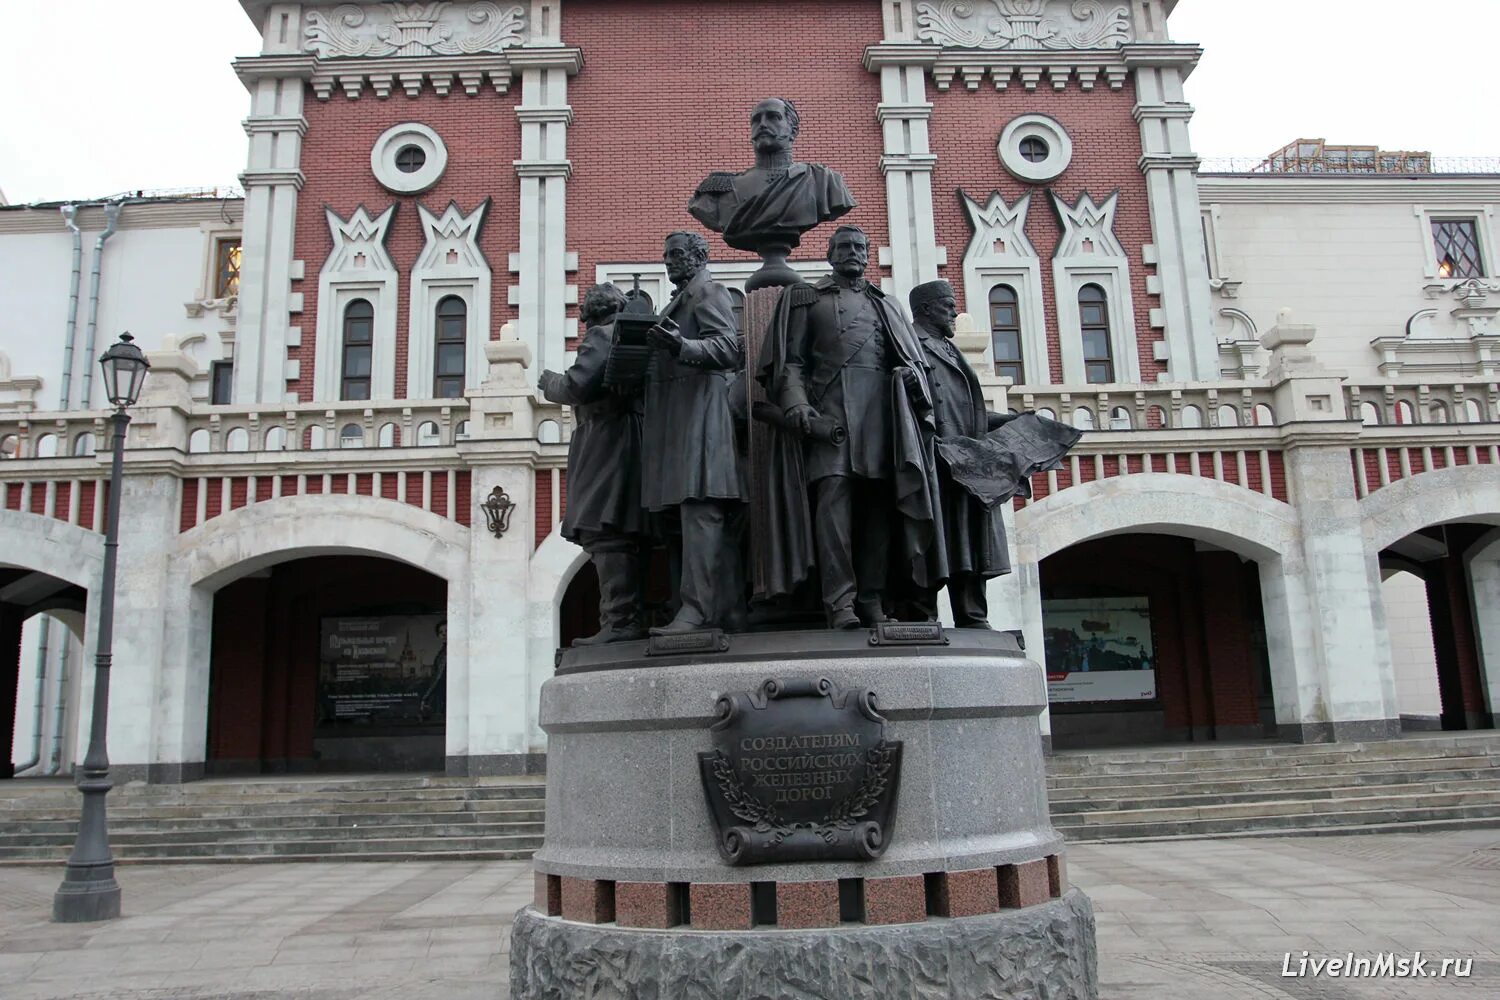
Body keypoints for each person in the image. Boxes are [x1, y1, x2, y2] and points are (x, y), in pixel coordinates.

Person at [757, 225, 943, 629]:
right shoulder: (807, 298)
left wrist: (912, 379)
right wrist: (799, 405)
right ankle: (839, 603)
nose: (852, 253)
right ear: (829, 253)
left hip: (881, 419)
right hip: (832, 416)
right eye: (843, 247)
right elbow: (791, 363)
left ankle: (873, 601)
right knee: (833, 514)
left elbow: (912, 362)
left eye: (859, 247)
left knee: (878, 513)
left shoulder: (885, 305)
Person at [640, 232, 748, 634]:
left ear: (700, 256)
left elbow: (728, 349)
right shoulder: (681, 298)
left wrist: (680, 345)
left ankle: (697, 611)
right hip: (678, 418)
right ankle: (719, 610)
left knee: (700, 511)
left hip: (703, 416)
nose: (669, 261)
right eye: (666, 255)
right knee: (686, 517)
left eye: (677, 254)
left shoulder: (709, 292)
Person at [538, 283, 648, 644]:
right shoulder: (628, 335)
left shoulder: (603, 335)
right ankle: (622, 617)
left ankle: (619, 621)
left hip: (604, 437)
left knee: (605, 526)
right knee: (615, 525)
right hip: (624, 435)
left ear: (590, 312)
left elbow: (577, 386)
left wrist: (548, 382)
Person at [904, 279, 1017, 628]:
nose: (954, 311)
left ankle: (971, 613)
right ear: (925, 309)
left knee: (969, 539)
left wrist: (1011, 421)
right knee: (931, 538)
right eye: (947, 304)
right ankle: (922, 613)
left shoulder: (950, 349)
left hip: (968, 461)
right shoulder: (911, 345)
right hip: (934, 459)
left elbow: (971, 412)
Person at [689, 97, 856, 287]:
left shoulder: (822, 181)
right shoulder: (718, 190)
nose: (762, 124)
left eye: (773, 117)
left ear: (793, 130)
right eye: (756, 120)